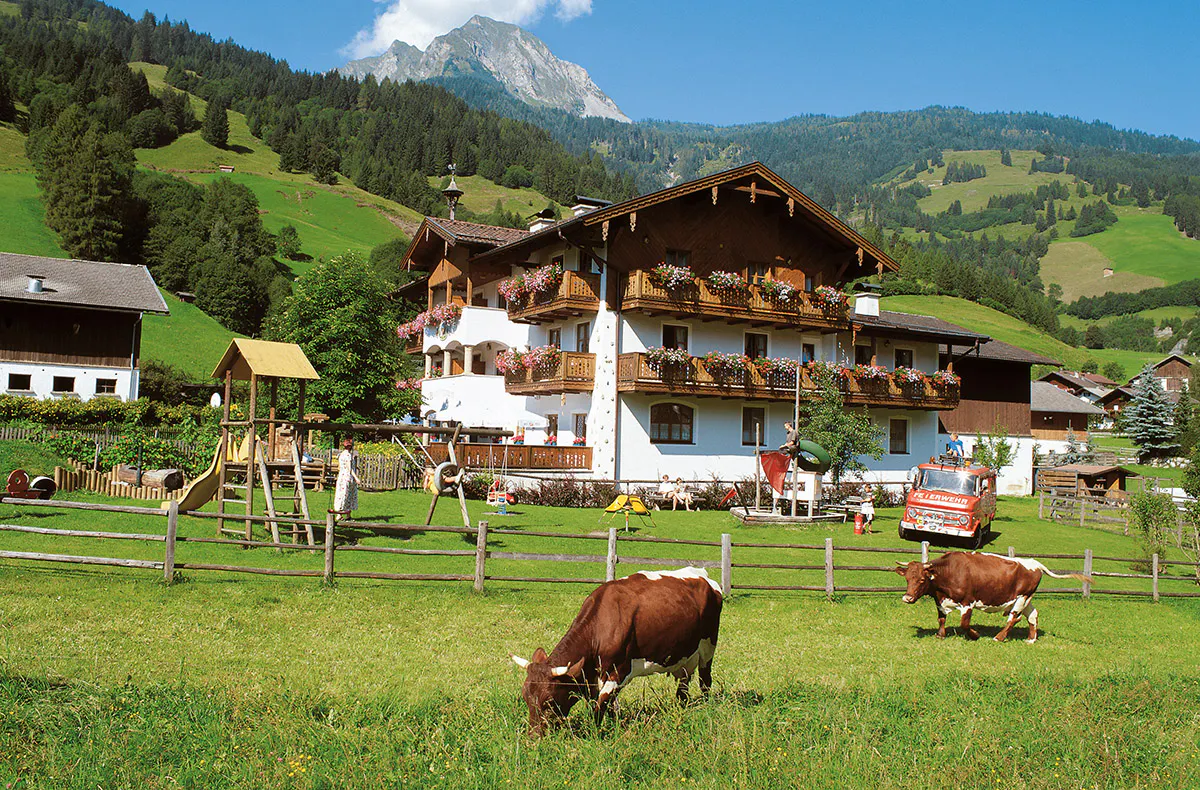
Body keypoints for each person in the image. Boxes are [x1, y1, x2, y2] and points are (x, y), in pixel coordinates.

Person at [332, 438, 362, 521]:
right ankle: (339, 515)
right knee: (345, 495)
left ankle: (347, 515)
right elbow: (349, 468)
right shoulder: (347, 455)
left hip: (342, 477)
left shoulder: (342, 454)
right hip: (347, 477)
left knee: (346, 495)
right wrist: (356, 478)